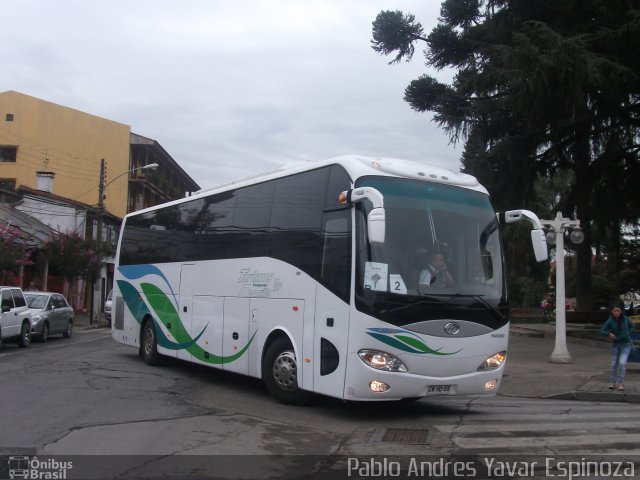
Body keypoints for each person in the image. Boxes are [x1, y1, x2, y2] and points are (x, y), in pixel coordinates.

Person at [600, 304, 635, 391]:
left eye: (618, 311)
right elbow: (602, 331)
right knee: (614, 364)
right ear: (612, 312)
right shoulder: (610, 321)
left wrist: (627, 333)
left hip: (625, 345)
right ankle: (612, 382)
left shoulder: (625, 319)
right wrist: (609, 334)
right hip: (615, 345)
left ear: (621, 312)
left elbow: (632, 326)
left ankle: (621, 383)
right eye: (614, 311)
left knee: (622, 363)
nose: (616, 313)